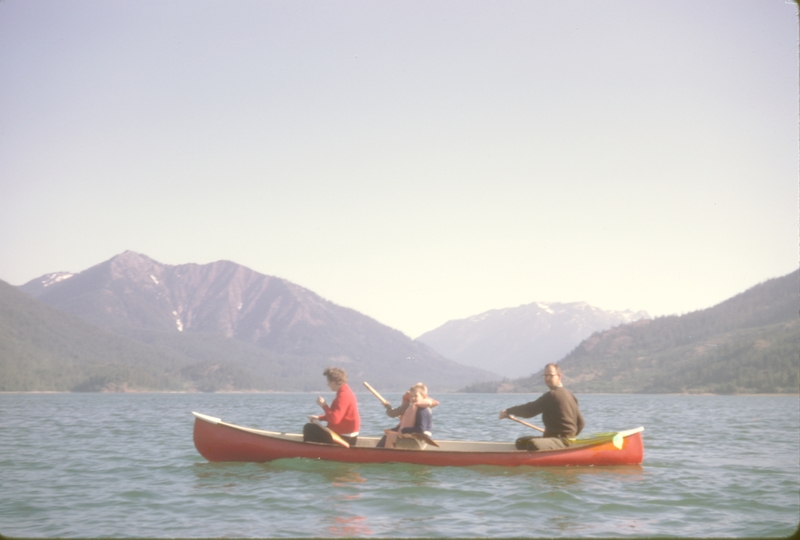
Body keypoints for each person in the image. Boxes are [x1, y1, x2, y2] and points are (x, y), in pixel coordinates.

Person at [498, 363, 585, 451]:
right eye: (545, 375)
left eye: (550, 375)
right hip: (560, 440)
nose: (547, 378)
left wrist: (508, 411)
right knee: (521, 442)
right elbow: (581, 423)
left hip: (563, 442)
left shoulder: (551, 396)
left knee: (533, 444)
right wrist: (571, 438)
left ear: (559, 376)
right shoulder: (570, 395)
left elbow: (529, 410)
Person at [303, 367, 360, 446]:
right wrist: (319, 418)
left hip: (345, 438)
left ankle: (310, 451)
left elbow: (334, 419)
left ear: (333, 382)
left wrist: (324, 405)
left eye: (328, 382)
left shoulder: (343, 396)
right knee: (315, 428)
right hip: (345, 435)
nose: (328, 385)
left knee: (309, 428)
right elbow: (337, 415)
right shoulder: (346, 392)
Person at [377, 383, 438, 448]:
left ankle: (389, 457)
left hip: (419, 442)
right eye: (411, 396)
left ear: (424, 397)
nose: (413, 398)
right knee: (390, 434)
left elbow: (420, 429)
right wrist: (394, 431)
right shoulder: (416, 408)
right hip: (416, 439)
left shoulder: (422, 411)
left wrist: (403, 430)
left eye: (416, 396)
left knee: (390, 438)